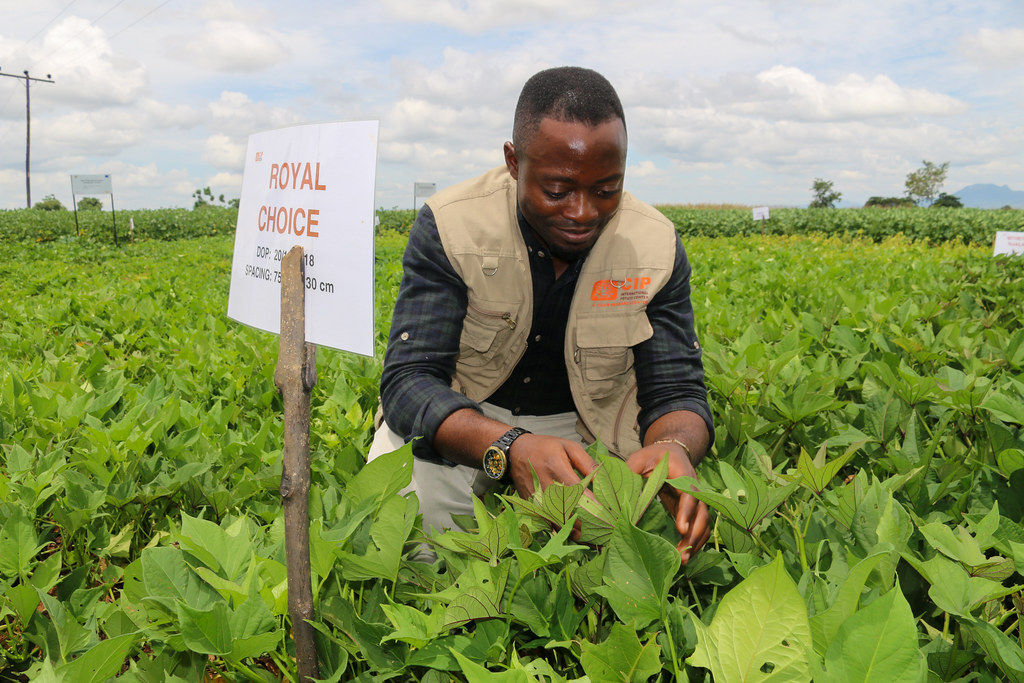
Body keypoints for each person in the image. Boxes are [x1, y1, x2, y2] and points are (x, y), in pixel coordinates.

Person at [368, 66, 714, 564]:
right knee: (404, 548)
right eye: (557, 190)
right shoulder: (453, 225)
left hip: (585, 431)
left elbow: (677, 390)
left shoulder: (654, 245)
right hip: (465, 420)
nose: (582, 212)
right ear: (514, 161)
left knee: (633, 567)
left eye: (606, 189)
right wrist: (510, 448)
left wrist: (674, 445)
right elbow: (408, 383)